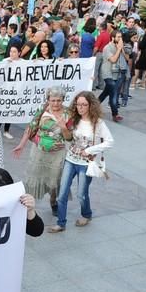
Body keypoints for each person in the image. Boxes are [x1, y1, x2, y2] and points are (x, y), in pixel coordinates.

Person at [49, 91, 114, 233]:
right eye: (78, 104)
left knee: (81, 194)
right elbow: (68, 138)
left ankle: (86, 214)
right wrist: (63, 127)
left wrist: (90, 150)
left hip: (86, 164)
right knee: (62, 194)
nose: (80, 107)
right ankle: (61, 223)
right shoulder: (74, 119)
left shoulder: (98, 123)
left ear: (91, 105)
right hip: (70, 160)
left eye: (84, 105)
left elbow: (110, 142)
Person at [12, 87, 72, 215]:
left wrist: (63, 127)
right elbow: (31, 127)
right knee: (34, 177)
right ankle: (28, 205)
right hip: (39, 152)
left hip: (57, 154)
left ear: (63, 100)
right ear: (48, 100)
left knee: (55, 179)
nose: (56, 103)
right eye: (53, 100)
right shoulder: (42, 109)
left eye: (59, 100)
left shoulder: (69, 113)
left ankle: (53, 202)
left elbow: (69, 137)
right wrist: (21, 145)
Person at [97, 30, 126, 122]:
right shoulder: (107, 48)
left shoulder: (119, 46)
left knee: (106, 92)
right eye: (118, 37)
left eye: (121, 37)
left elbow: (126, 58)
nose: (120, 39)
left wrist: (121, 49)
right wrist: (118, 49)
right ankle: (115, 114)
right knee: (113, 91)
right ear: (113, 38)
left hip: (116, 73)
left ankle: (93, 105)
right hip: (107, 73)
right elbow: (113, 59)